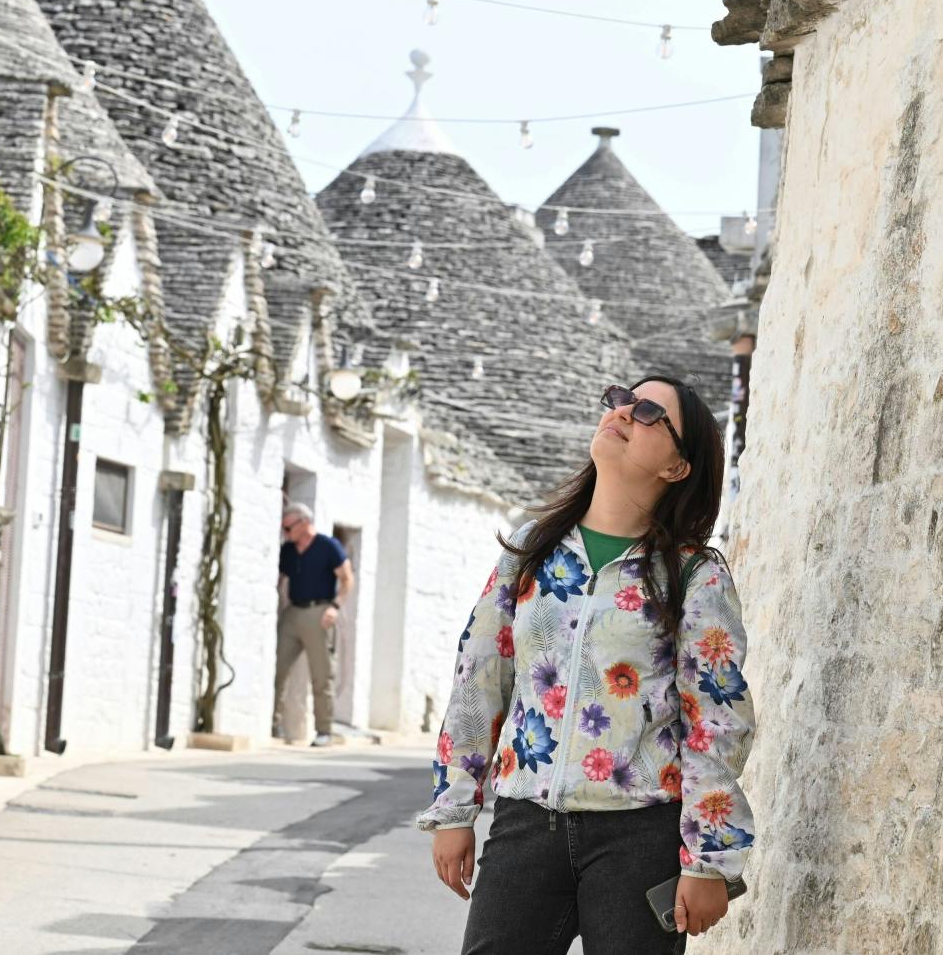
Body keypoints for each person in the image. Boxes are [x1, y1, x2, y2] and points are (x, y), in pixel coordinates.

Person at [418, 376, 756, 954]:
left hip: (640, 838)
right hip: (526, 825)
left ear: (678, 467)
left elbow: (715, 721)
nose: (623, 412)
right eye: (621, 399)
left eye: (648, 411)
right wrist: (455, 805)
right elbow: (480, 678)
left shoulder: (694, 575)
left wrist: (709, 860)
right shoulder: (532, 549)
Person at [275, 501, 355, 747]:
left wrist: (335, 607)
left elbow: (347, 579)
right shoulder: (288, 550)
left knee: (321, 674)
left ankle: (324, 731)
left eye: (288, 528)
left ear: (304, 523)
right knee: (278, 669)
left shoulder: (328, 546)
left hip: (319, 612)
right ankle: (273, 723)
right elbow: (280, 579)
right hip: (293, 611)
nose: (285, 533)